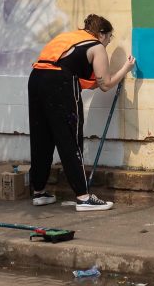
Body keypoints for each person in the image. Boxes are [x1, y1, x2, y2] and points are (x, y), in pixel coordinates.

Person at [27, 15, 135, 212]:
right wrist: (126, 68)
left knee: (41, 138)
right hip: (59, 83)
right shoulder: (96, 46)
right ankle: (83, 197)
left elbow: (83, 78)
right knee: (69, 139)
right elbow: (106, 84)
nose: (108, 43)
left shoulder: (70, 38)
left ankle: (39, 192)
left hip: (36, 79)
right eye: (109, 38)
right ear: (101, 34)